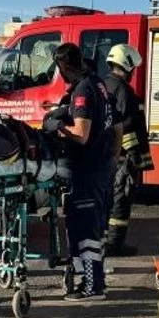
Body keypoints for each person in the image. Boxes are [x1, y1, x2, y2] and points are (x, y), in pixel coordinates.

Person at [43, 43, 114, 302]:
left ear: (63, 67)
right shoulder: (98, 84)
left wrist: (57, 126)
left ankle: (93, 288)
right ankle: (94, 281)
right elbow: (113, 127)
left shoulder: (83, 90)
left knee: (84, 229)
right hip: (102, 167)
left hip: (86, 169)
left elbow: (81, 135)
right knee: (94, 228)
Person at [101, 44, 154, 256]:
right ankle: (114, 244)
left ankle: (104, 242)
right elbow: (125, 125)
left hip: (107, 155)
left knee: (108, 199)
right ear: (127, 65)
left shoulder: (104, 84)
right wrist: (133, 155)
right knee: (121, 198)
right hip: (122, 157)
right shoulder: (122, 89)